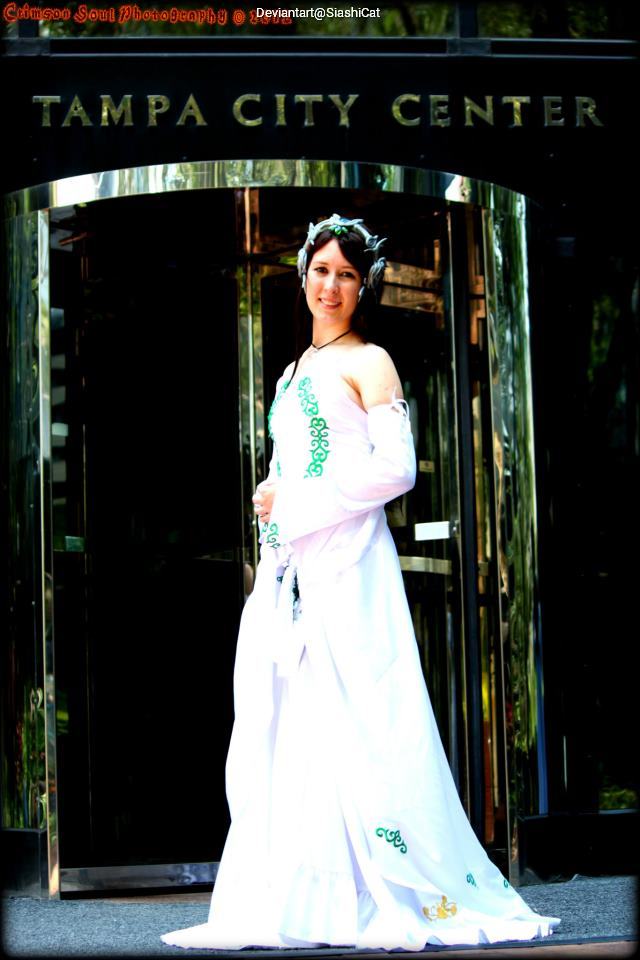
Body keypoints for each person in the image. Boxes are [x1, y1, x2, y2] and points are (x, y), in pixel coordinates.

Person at [161, 214, 560, 951]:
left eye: (346, 273)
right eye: (321, 271)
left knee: (365, 721)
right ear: (302, 276)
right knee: (292, 723)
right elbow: (299, 463)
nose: (331, 286)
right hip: (296, 571)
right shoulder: (288, 372)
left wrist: (296, 499)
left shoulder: (371, 360)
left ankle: (392, 888)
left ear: (362, 283)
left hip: (349, 566)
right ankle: (310, 899)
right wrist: (272, 494)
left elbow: (395, 469)